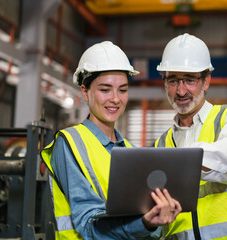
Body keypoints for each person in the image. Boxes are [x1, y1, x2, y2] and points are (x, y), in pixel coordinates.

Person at [41, 41, 181, 240]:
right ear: (84, 92)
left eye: (122, 90)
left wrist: (157, 220)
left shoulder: (132, 151)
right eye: (105, 90)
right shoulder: (70, 143)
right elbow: (89, 226)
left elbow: (145, 224)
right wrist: (144, 223)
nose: (115, 99)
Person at [154, 33, 227, 239]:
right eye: (172, 80)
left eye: (189, 80)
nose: (181, 91)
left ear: (206, 81)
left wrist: (174, 161)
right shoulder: (161, 144)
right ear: (164, 83)